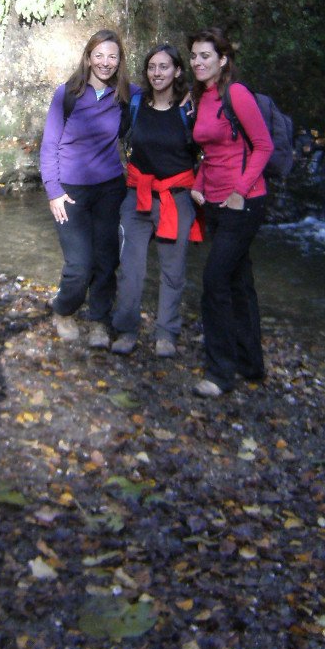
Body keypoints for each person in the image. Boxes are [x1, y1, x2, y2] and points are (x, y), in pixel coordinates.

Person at [188, 27, 274, 398]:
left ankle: (220, 373)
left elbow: (263, 146)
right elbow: (212, 150)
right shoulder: (203, 96)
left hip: (244, 201)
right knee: (239, 284)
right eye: (193, 56)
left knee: (214, 282)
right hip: (216, 202)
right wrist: (198, 181)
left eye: (205, 56)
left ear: (223, 60)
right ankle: (251, 364)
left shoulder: (235, 93)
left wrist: (240, 192)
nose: (197, 62)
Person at [39, 28, 133, 347]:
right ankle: (63, 310)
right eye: (100, 55)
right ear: (88, 57)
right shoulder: (66, 94)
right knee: (79, 265)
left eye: (112, 56)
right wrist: (53, 190)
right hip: (70, 190)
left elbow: (161, 97)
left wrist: (187, 98)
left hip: (109, 188)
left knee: (107, 260)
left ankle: (99, 322)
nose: (106, 62)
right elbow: (49, 145)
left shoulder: (125, 95)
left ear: (119, 61)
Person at [110, 44, 202, 358]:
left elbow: (209, 148)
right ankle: (126, 329)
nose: (157, 73)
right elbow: (110, 132)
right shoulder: (135, 103)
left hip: (176, 198)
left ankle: (166, 333)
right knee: (130, 268)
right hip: (137, 197)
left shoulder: (189, 108)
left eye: (164, 67)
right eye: (152, 67)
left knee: (172, 272)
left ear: (177, 71)